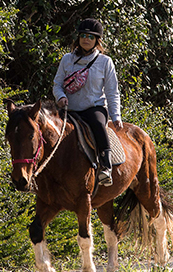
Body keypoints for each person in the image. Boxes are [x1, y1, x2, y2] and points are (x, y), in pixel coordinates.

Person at [52, 18, 122, 186]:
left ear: (97, 40)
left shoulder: (105, 62)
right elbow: (57, 85)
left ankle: (105, 167)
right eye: (83, 35)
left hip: (94, 108)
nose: (86, 39)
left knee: (98, 124)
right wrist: (60, 97)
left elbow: (112, 92)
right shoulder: (67, 59)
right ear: (78, 38)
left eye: (91, 36)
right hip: (70, 109)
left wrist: (116, 116)